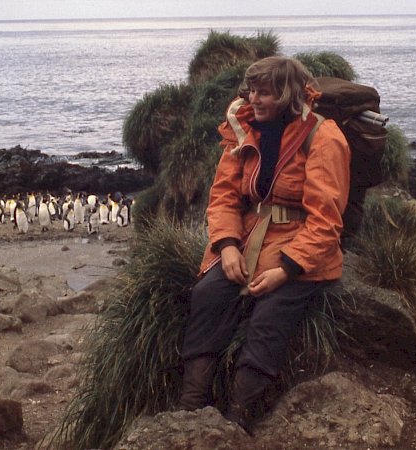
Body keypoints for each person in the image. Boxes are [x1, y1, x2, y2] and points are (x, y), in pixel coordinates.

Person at [178, 56, 351, 430]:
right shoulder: (243, 131)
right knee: (207, 295)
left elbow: (326, 220)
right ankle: (191, 407)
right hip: (247, 237)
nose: (254, 99)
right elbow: (223, 197)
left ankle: (240, 417)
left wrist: (286, 269)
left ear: (287, 94)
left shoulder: (324, 137)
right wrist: (225, 246)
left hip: (302, 246)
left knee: (269, 316)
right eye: (251, 90)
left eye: (265, 93)